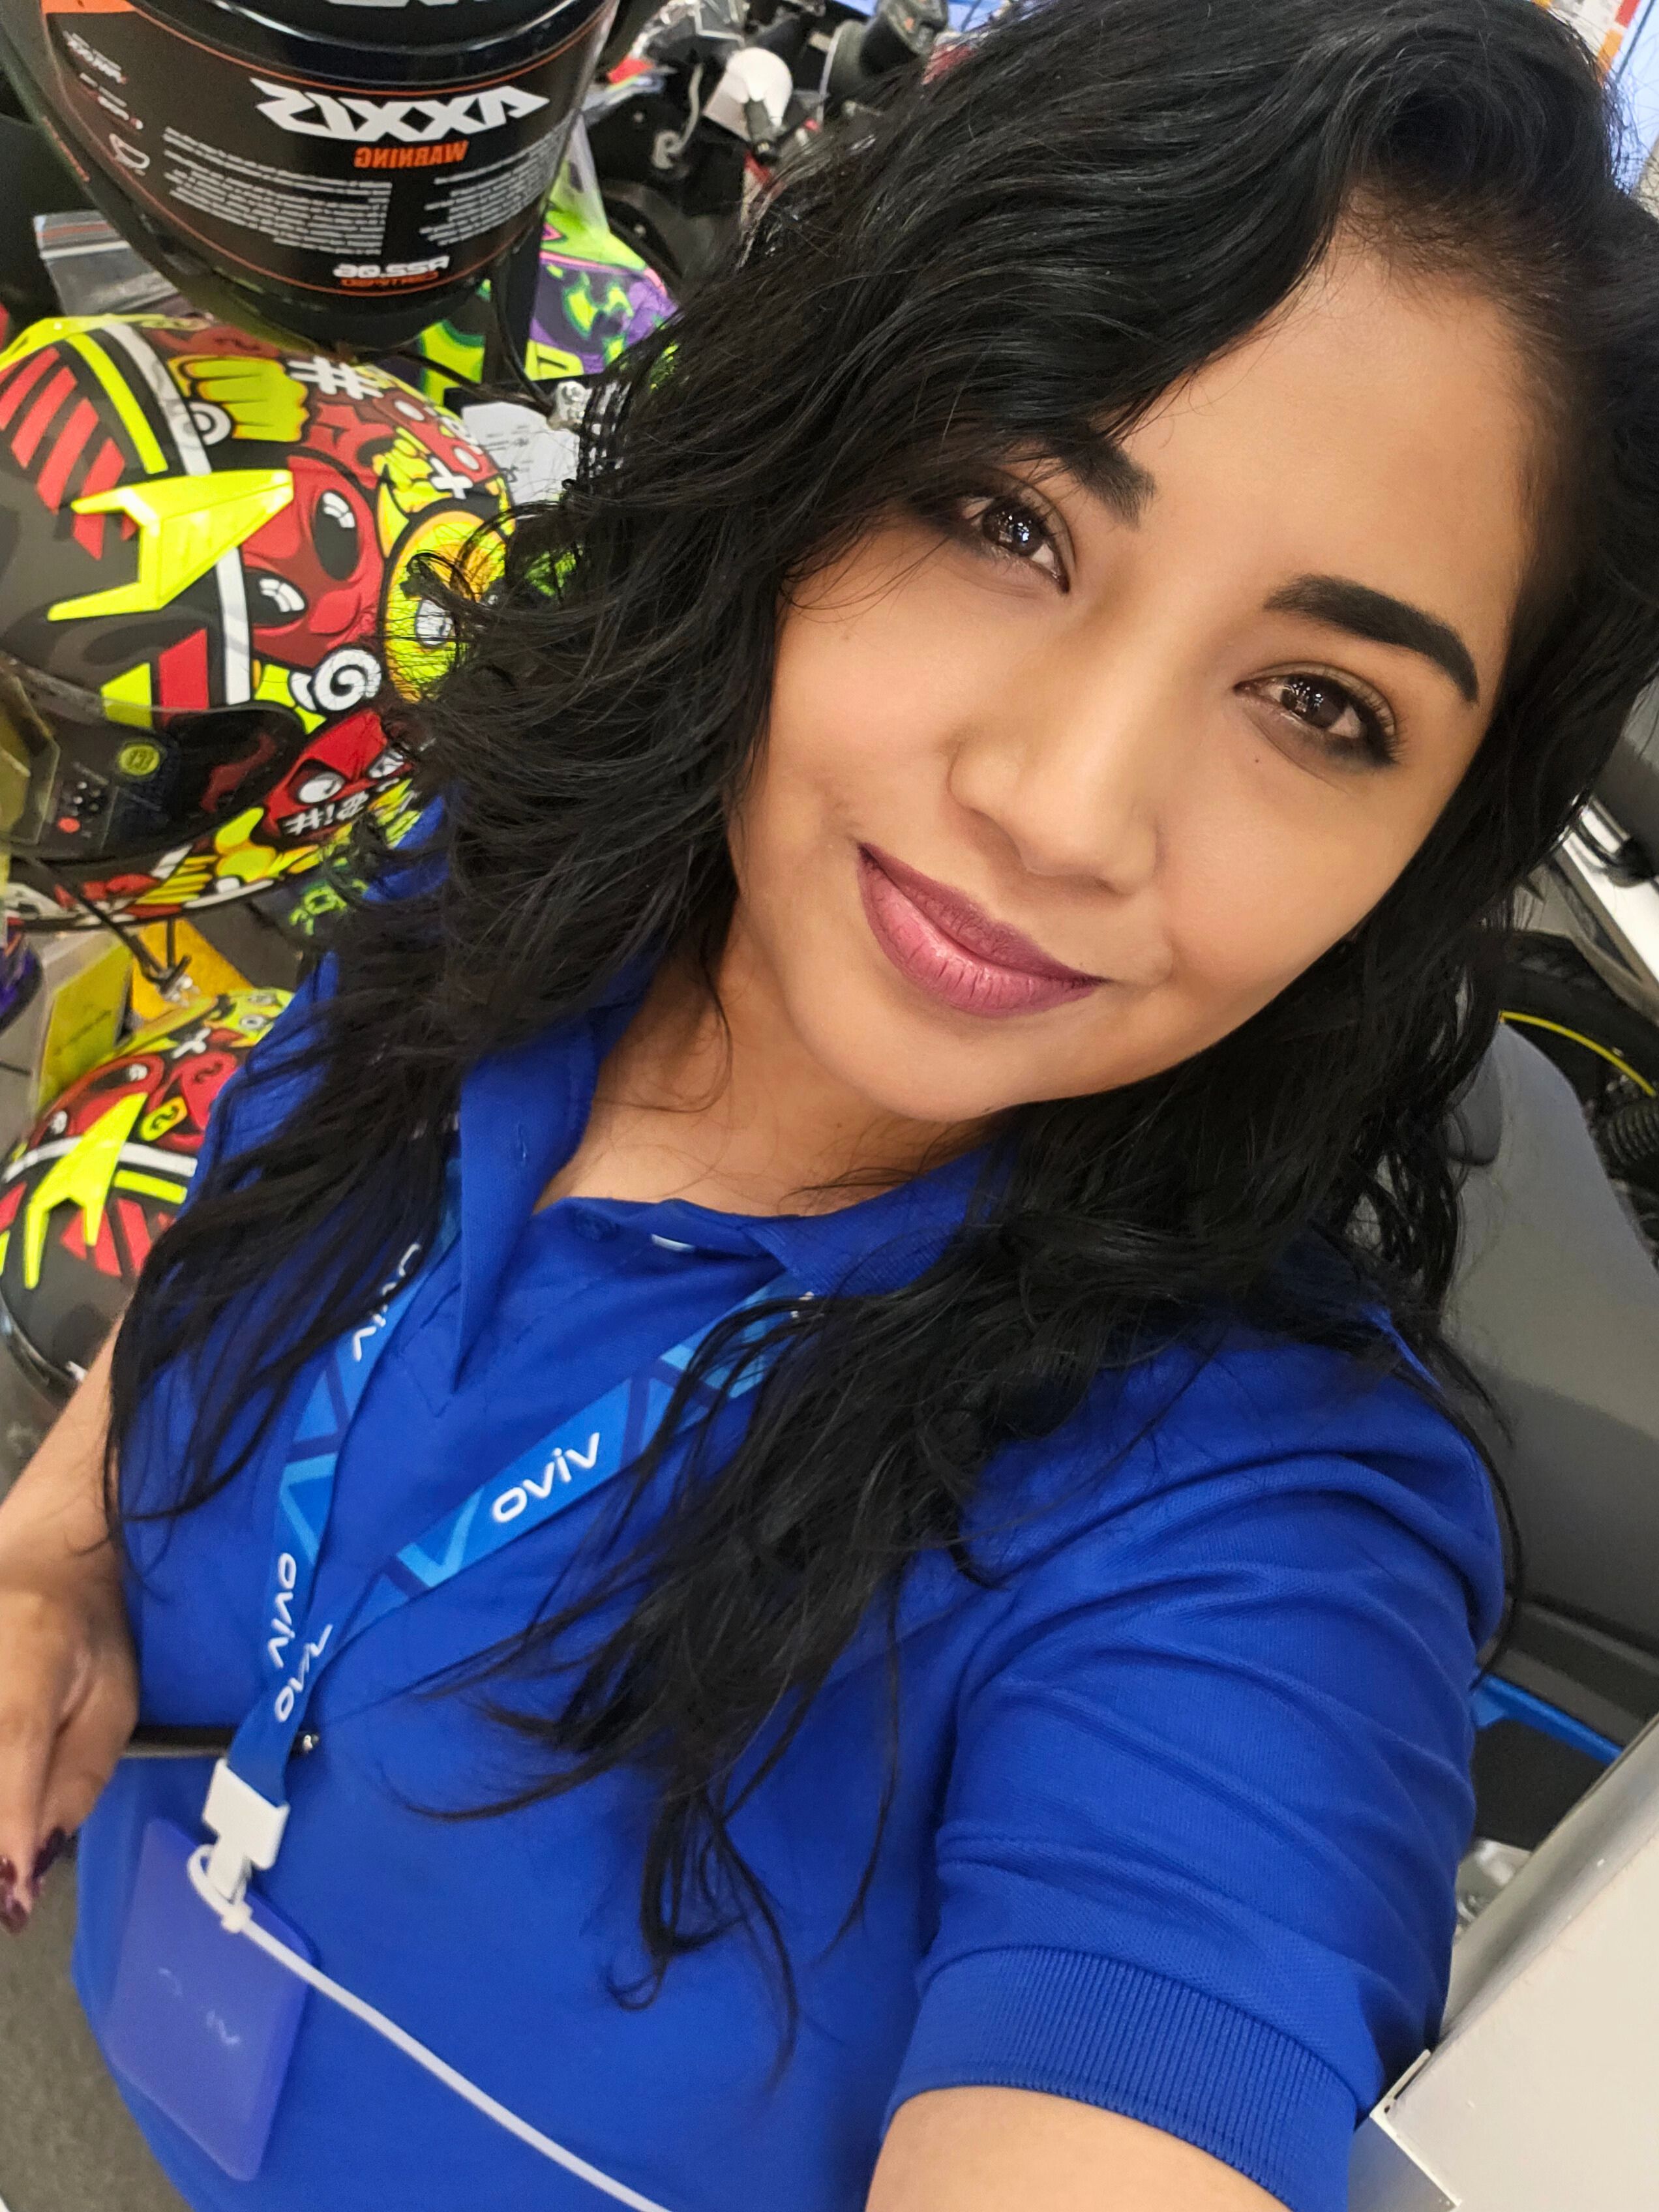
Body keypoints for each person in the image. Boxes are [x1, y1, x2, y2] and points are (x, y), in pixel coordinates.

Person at [3, 1, 1659, 2206]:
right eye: (1006, 520)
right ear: (803, 455)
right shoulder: (509, 896)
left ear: (1431, 845)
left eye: (1318, 703)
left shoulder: (1244, 1541)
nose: (1064, 808)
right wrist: (57, 1560)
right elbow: (267, 1216)